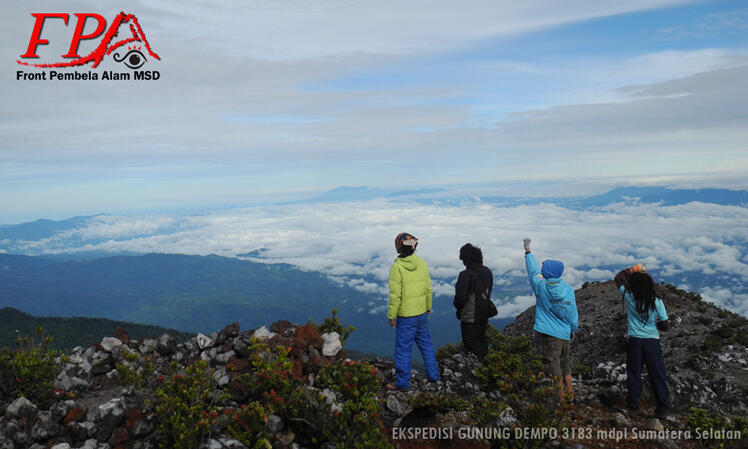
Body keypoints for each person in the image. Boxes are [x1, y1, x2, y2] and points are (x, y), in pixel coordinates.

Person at [523, 237, 578, 401]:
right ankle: (570, 396)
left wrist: (527, 251)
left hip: (548, 335)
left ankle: (559, 400)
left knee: (554, 368)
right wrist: (573, 329)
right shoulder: (568, 290)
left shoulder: (541, 286)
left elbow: (533, 271)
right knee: (566, 366)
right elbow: (572, 313)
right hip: (565, 334)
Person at [615, 264, 671, 418]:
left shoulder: (629, 296)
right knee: (657, 374)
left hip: (635, 341)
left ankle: (633, 406)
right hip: (652, 341)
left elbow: (618, 278)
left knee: (634, 373)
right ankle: (663, 407)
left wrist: (631, 270)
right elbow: (665, 324)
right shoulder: (657, 301)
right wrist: (655, 324)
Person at [387, 232, 440, 390]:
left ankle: (402, 384)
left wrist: (391, 315)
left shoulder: (396, 268)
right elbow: (428, 288)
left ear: (398, 247)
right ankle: (434, 376)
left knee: (403, 350)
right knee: (427, 346)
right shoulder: (422, 263)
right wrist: (428, 307)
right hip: (421, 313)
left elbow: (395, 295)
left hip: (406, 316)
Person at [453, 243, 493, 361]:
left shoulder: (466, 275)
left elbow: (460, 298)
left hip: (470, 318)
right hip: (484, 315)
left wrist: (458, 309)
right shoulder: (487, 272)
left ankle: (476, 374)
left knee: (472, 349)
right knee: (482, 343)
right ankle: (485, 371)